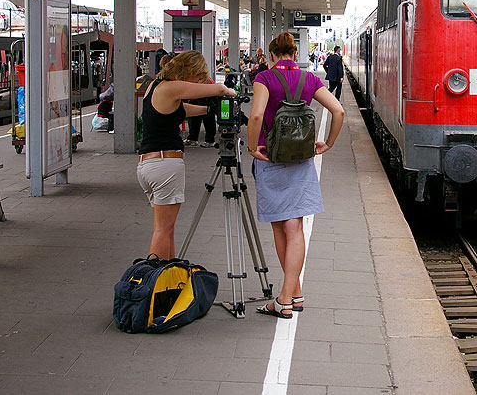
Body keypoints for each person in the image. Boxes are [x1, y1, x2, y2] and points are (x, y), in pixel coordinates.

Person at [247, 32, 345, 319]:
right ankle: (296, 293)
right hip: (302, 159)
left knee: (280, 228)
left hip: (271, 156)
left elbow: (255, 117)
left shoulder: (264, 78)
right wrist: (328, 143)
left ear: (272, 54)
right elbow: (337, 110)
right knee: (296, 228)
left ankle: (284, 299)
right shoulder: (309, 80)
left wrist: (253, 148)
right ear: (294, 53)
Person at [137, 50, 238, 259]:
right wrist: (229, 92)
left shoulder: (156, 87)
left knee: (166, 229)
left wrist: (210, 111)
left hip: (148, 165)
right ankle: (155, 281)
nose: (199, 81)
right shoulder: (172, 86)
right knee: (163, 230)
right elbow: (217, 88)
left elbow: (181, 110)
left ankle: (170, 276)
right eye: (198, 77)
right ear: (189, 71)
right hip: (165, 164)